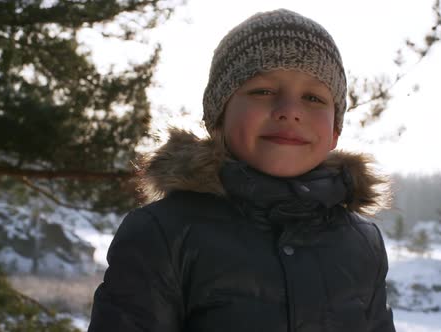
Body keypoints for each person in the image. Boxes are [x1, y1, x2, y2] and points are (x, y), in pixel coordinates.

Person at [88, 8, 396, 332]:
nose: (290, 111)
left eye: (313, 97)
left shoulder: (362, 242)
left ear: (335, 131)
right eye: (262, 91)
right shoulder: (163, 233)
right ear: (218, 116)